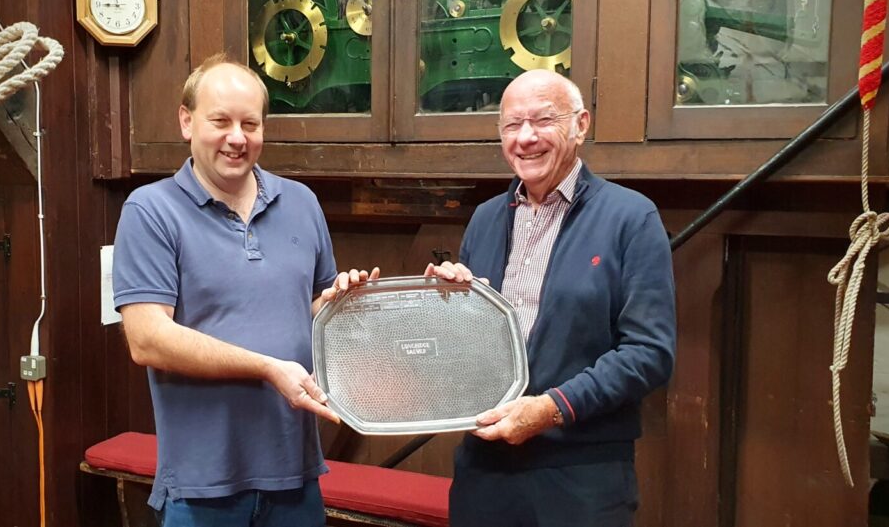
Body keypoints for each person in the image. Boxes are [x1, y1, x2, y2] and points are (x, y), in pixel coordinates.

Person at [113, 53, 377, 527]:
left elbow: (312, 311)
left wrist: (342, 304)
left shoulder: (301, 202)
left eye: (250, 123)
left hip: (295, 478)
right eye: (221, 121)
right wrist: (267, 368)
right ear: (186, 121)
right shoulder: (150, 210)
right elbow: (146, 338)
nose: (237, 138)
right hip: (203, 488)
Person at [426, 69, 676, 527]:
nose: (526, 138)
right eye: (511, 125)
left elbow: (650, 353)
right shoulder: (484, 219)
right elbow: (466, 356)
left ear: (581, 125)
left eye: (543, 120)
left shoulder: (631, 217)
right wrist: (449, 309)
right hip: (485, 470)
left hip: (582, 478)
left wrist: (551, 409)